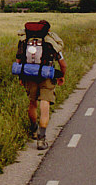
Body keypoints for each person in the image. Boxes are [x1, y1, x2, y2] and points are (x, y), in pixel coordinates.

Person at [15, 20, 68, 150]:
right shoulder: (51, 42)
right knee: (45, 105)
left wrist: (21, 77)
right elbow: (63, 64)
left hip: (29, 75)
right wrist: (61, 75)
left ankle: (33, 130)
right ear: (48, 30)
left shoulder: (24, 41)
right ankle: (41, 139)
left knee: (32, 103)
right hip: (46, 76)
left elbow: (18, 61)